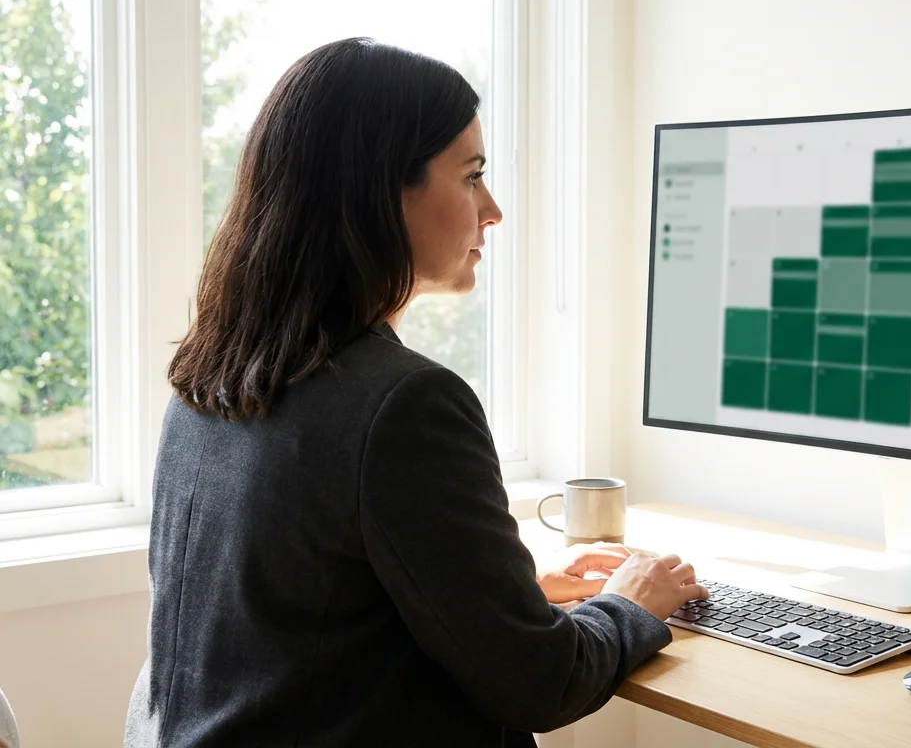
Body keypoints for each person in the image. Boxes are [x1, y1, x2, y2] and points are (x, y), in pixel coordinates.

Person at [123, 37, 707, 747]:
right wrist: (631, 604)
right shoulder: (405, 404)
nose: (491, 209)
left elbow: (295, 619)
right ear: (380, 192)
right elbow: (543, 683)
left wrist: (497, 599)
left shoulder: (209, 380)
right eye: (470, 176)